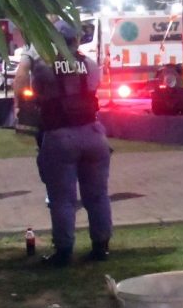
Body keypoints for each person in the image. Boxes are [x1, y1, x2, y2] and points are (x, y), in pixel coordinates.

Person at [14, 20, 112, 266]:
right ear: (76, 40)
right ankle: (101, 247)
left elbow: (29, 89)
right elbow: (92, 88)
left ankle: (64, 251)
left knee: (62, 199)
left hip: (60, 136)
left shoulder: (43, 68)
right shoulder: (89, 65)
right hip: (93, 133)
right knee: (98, 195)